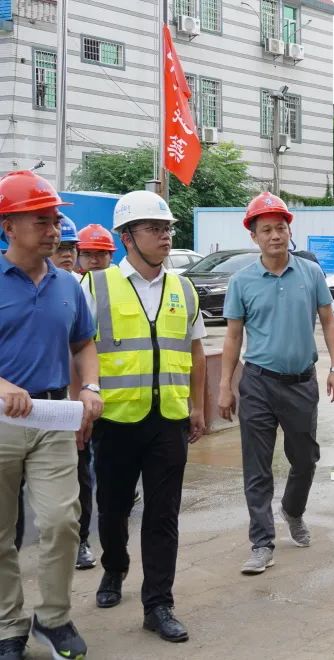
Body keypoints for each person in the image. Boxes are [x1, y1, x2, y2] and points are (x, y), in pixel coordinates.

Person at [81, 189, 206, 643]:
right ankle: (114, 567)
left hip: (168, 419)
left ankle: (158, 604)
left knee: (163, 514)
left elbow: (195, 351)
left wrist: (197, 406)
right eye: (154, 228)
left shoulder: (184, 289)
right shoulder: (95, 285)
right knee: (113, 508)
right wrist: (81, 404)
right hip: (115, 420)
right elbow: (78, 348)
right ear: (127, 237)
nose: (165, 236)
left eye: (167, 228)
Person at [0, 170, 101, 660]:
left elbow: (84, 343)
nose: (53, 229)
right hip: (1, 419)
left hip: (53, 416)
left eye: (55, 219)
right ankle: (8, 626)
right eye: (40, 220)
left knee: (62, 521)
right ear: (8, 227)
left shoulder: (69, 285)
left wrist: (91, 387)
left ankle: (54, 617)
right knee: (1, 531)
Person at [218, 192, 334, 576]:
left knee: (305, 459)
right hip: (257, 382)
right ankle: (262, 543)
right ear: (254, 236)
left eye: (281, 228)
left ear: (289, 231)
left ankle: (293, 509)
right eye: (267, 230)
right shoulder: (241, 281)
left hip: (301, 383)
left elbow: (329, 322)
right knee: (257, 466)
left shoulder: (310, 273)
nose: (275, 235)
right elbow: (233, 336)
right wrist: (225, 385)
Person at [70, 224, 118, 572]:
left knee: (102, 470)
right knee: (80, 474)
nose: (94, 260)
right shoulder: (74, 288)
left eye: (100, 254)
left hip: (110, 396)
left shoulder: (117, 288)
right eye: (88, 254)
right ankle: (79, 539)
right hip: (77, 396)